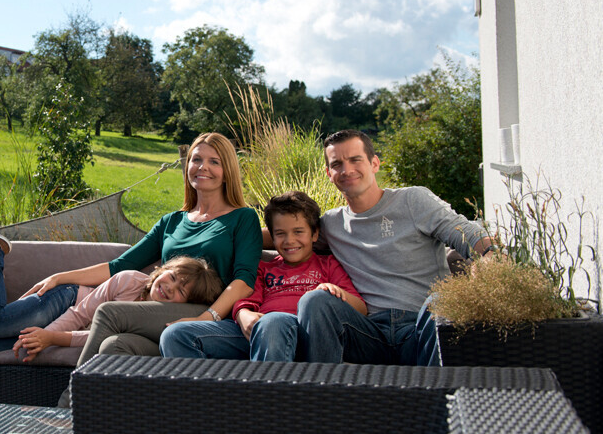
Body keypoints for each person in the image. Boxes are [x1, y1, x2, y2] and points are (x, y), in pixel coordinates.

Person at [41, 133, 262, 406]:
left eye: (214, 161)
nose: (203, 167)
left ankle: (67, 407)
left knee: (110, 312)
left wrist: (208, 316)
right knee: (115, 346)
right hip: (164, 315)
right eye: (196, 159)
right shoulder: (172, 221)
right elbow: (120, 266)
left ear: (227, 171)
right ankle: (102, 419)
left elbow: (244, 280)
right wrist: (59, 277)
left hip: (208, 313)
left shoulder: (243, 218)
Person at [294, 129, 496, 366]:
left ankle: (437, 398)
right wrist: (242, 229)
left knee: (442, 300)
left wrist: (490, 255)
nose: (346, 170)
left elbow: (466, 232)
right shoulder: (331, 224)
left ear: (374, 163)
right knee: (315, 301)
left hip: (422, 328)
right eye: (337, 164)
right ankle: (320, 395)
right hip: (368, 333)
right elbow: (287, 235)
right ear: (329, 174)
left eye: (355, 159)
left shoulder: (413, 201)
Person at [0, 219, 224, 360]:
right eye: (173, 277)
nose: (170, 287)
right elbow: (81, 315)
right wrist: (47, 335)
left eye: (181, 291)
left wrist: (46, 339)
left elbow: (94, 337)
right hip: (65, 301)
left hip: (68, 323)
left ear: (185, 304)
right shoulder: (129, 280)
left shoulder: (152, 321)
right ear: (161, 271)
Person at [160, 191, 366, 362]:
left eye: (298, 232)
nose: (289, 240)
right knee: (176, 335)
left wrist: (336, 295)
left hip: (305, 336)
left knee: (274, 322)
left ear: (314, 234)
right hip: (256, 332)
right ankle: (209, 405)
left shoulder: (327, 265)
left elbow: (362, 309)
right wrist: (243, 315)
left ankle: (264, 405)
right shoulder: (263, 268)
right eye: (280, 234)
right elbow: (245, 300)